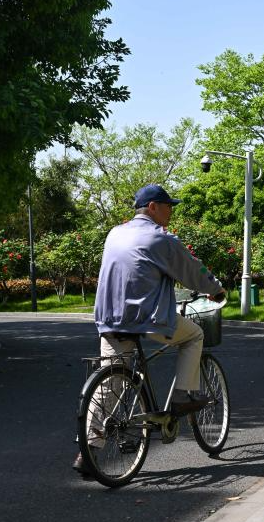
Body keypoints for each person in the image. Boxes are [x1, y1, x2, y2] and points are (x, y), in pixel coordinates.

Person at [74, 183, 226, 474]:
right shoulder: (161, 238)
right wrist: (215, 289)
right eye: (168, 205)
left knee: (109, 383)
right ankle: (183, 395)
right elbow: (192, 270)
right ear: (153, 207)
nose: (172, 210)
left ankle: (88, 451)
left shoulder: (115, 233)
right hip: (146, 318)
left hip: (109, 318)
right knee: (194, 334)